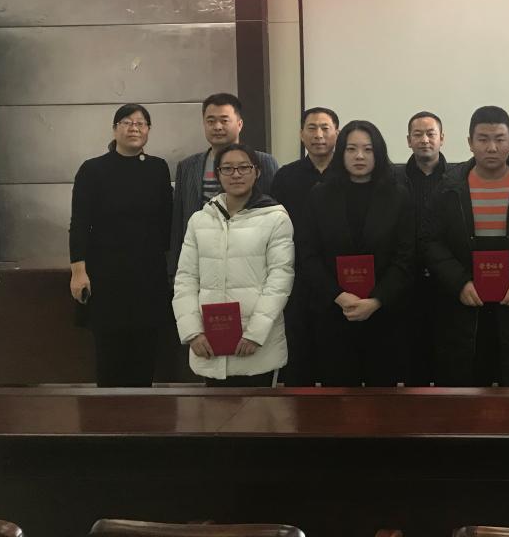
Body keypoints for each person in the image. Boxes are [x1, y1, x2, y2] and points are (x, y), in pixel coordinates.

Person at [426, 106, 509, 387]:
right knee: (468, 394)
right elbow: (431, 242)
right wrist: (459, 282)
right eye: (483, 139)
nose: (492, 147)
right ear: (470, 142)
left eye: (499, 139)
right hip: (466, 308)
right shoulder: (449, 188)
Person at [298, 120, 414, 387]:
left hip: (384, 315)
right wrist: (339, 296)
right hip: (333, 313)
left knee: (382, 400)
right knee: (338, 399)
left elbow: (406, 257)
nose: (359, 156)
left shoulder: (398, 196)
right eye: (351, 149)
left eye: (368, 149)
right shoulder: (319, 196)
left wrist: (376, 300)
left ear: (378, 153)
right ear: (341, 152)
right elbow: (308, 254)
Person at [69, 104, 173, 387]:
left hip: (148, 275)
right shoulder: (93, 169)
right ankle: (110, 415)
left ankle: (144, 415)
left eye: (141, 123)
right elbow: (79, 223)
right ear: (115, 129)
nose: (134, 128)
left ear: (148, 130)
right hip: (107, 276)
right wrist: (78, 271)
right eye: (127, 122)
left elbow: (167, 221)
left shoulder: (158, 168)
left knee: (145, 357)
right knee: (109, 358)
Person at [172, 144, 294, 387]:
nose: (236, 174)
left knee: (259, 410)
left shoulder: (275, 218)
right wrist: (193, 332)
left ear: (257, 172)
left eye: (243, 167)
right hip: (209, 343)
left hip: (257, 345)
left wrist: (255, 334)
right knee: (214, 411)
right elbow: (185, 278)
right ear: (217, 174)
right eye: (227, 168)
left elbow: (279, 280)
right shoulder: (200, 220)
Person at [169, 92, 279, 274]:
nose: (217, 127)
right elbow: (179, 222)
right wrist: (174, 269)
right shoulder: (188, 166)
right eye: (211, 121)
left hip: (250, 262)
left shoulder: (264, 162)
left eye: (224, 120)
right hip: (200, 261)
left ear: (240, 124)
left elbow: (273, 212)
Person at [270, 106, 340, 386]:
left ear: (337, 133)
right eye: (311, 128)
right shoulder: (286, 177)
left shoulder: (348, 173)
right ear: (301, 134)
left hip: (339, 279)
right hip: (297, 277)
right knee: (300, 361)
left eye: (325, 128)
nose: (318, 135)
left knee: (337, 359)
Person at [394, 111, 454, 386]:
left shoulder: (457, 178)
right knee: (412, 354)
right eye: (418, 134)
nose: (425, 140)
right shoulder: (393, 179)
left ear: (442, 138)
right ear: (409, 140)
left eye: (431, 134)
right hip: (407, 279)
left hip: (449, 280)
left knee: (448, 354)